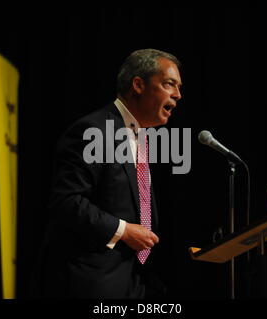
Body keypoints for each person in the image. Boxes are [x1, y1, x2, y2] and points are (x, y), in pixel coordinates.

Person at [39, 48, 182, 298]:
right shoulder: (92, 131)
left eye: (179, 87)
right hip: (93, 283)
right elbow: (66, 202)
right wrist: (123, 230)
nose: (178, 95)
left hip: (135, 281)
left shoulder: (141, 138)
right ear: (138, 84)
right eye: (169, 84)